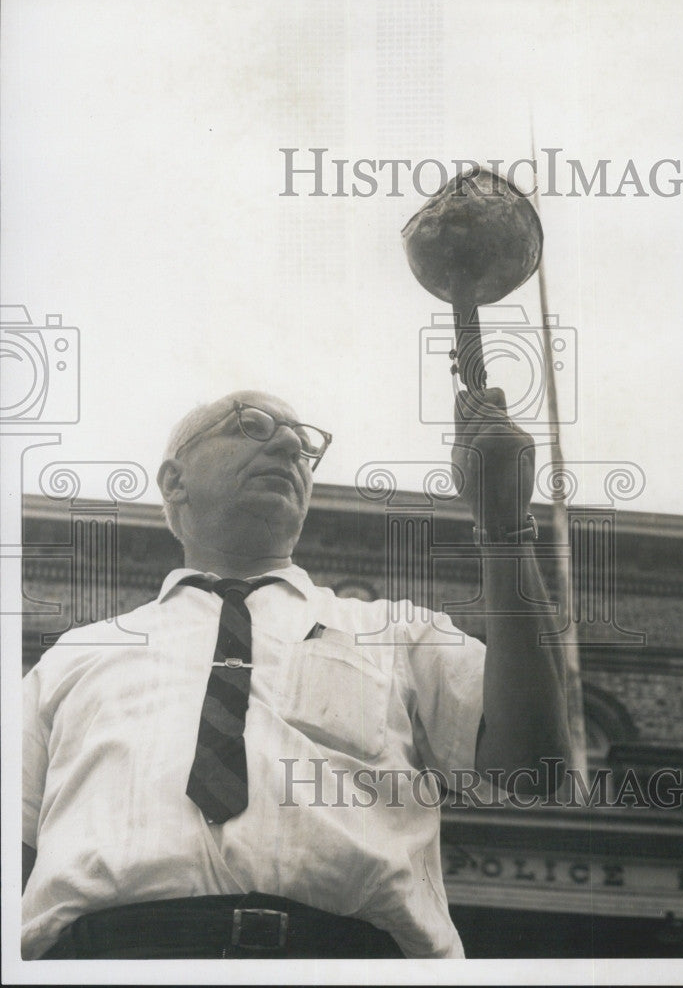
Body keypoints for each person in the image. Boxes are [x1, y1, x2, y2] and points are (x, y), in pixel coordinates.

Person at [22, 387, 570, 960]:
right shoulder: (73, 655)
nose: (289, 444)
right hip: (106, 958)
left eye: (304, 444)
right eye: (252, 425)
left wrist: (505, 525)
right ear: (174, 481)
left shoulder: (401, 632)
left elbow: (534, 766)